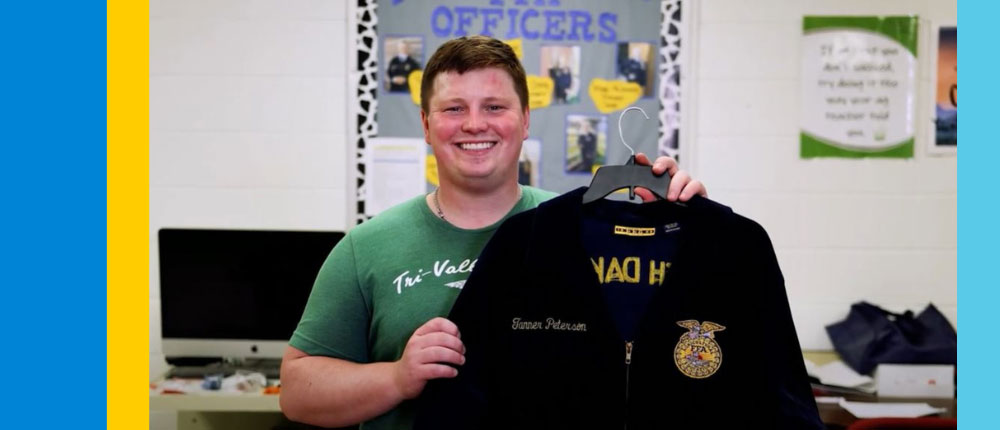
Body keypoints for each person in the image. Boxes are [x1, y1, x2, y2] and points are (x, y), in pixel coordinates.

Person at [279, 35, 706, 430]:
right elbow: (296, 393)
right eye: (454, 108)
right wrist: (396, 378)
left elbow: (659, 353)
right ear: (426, 125)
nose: (474, 124)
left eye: (494, 107)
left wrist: (681, 236)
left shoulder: (582, 231)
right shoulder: (366, 246)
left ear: (524, 121)